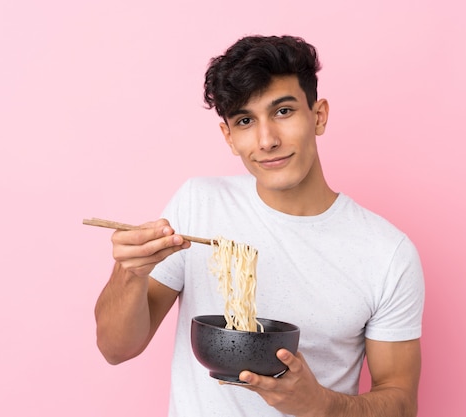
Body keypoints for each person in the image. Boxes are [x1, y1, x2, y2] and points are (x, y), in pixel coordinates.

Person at [94, 35, 425, 417]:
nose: (266, 140)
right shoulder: (199, 203)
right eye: (245, 121)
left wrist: (321, 405)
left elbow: (401, 401)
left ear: (318, 116)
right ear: (229, 137)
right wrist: (130, 274)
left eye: (283, 112)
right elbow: (116, 349)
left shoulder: (386, 253)